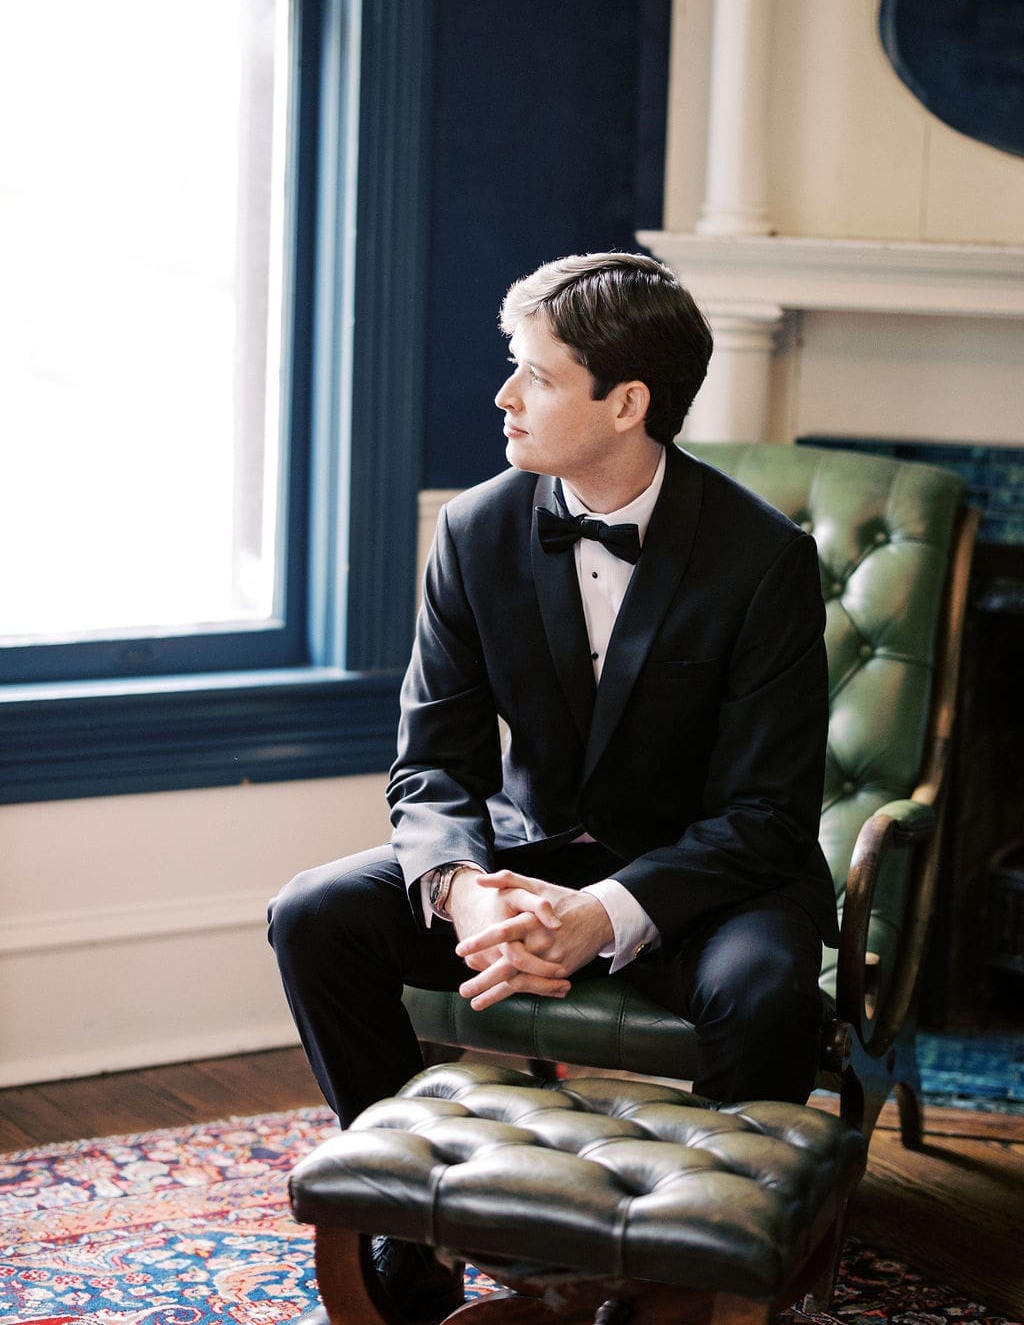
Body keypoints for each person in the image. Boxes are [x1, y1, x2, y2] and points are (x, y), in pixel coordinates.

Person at [270, 250, 838, 1325]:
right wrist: (466, 890)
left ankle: (693, 1265)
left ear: (626, 403)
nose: (502, 396)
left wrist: (602, 918)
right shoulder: (474, 529)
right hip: (527, 857)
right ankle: (411, 1216)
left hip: (707, 884)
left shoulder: (763, 559)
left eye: (533, 374)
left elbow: (766, 817)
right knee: (313, 915)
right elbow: (432, 758)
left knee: (766, 992)